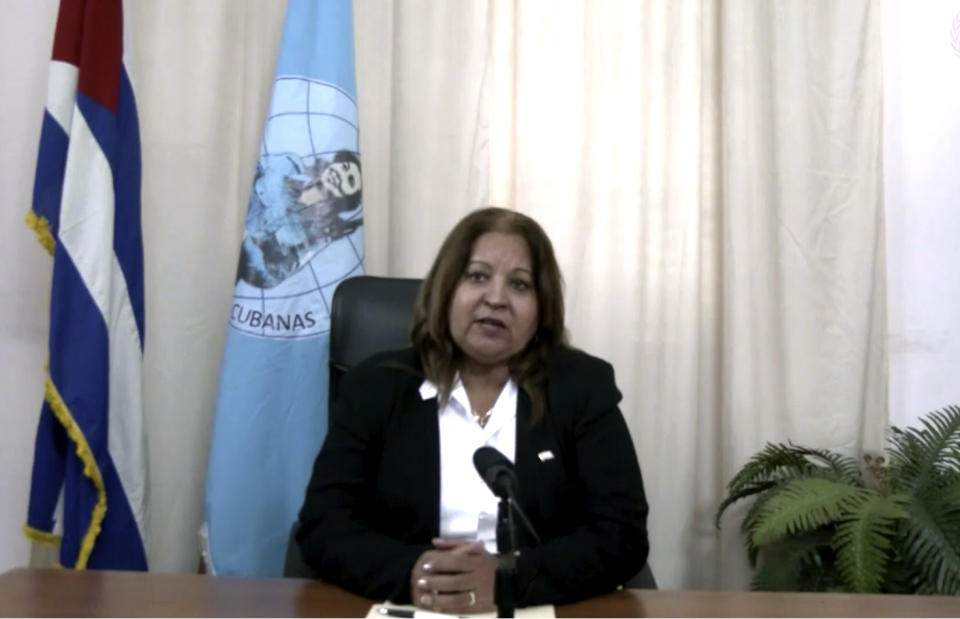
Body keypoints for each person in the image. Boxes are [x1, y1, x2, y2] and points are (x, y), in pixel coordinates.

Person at [296, 207, 649, 613]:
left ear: (542, 310)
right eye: (477, 276)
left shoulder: (582, 388)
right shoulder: (375, 387)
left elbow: (621, 533)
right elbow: (324, 525)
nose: (496, 298)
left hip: (535, 607)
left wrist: (507, 579)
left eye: (519, 284)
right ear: (446, 290)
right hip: (410, 607)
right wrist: (416, 572)